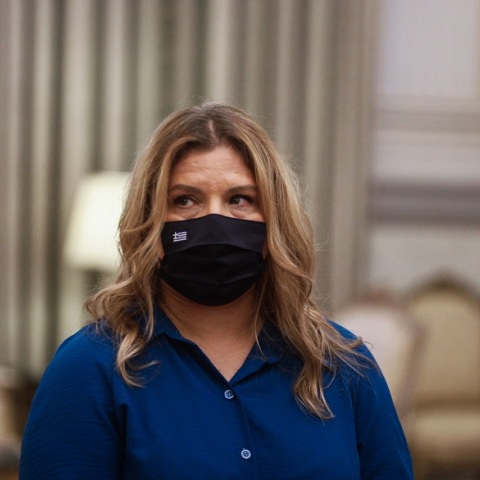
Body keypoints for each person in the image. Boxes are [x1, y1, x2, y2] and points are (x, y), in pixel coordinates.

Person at [19, 102, 413, 479]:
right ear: (150, 222)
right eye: (185, 200)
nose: (214, 221)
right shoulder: (88, 368)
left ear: (275, 221)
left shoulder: (345, 366)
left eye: (240, 199)